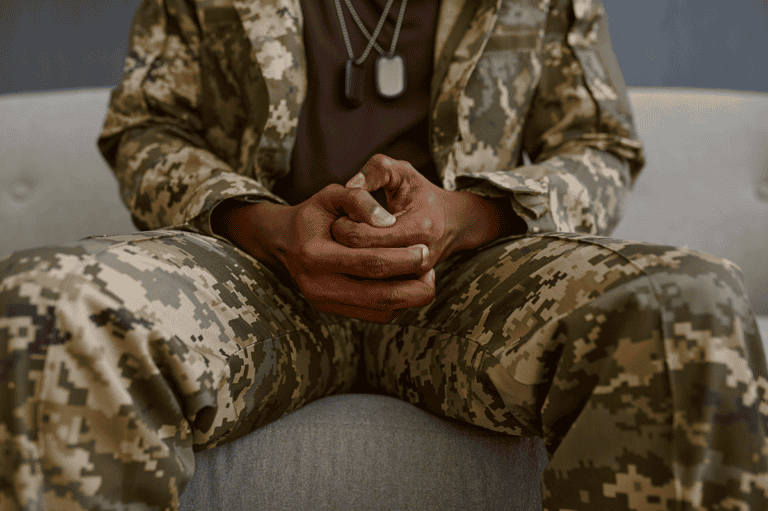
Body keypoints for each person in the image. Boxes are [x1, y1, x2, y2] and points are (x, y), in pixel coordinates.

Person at [1, 0, 766, 509]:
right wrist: (266, 224)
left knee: (685, 304)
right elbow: (147, 129)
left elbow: (598, 144)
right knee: (49, 303)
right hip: (252, 273)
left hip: (472, 280)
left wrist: (470, 214)